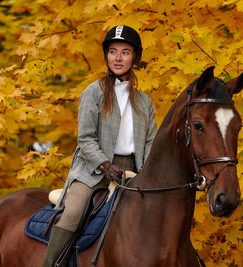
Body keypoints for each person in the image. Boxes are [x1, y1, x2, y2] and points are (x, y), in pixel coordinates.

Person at [43, 25, 158, 266]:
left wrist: (149, 176)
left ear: (134, 57)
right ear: (106, 55)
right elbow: (85, 139)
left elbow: (149, 145)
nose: (118, 58)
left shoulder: (145, 103)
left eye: (125, 52)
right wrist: (106, 166)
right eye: (113, 51)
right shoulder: (92, 93)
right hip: (92, 171)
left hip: (132, 173)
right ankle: (51, 264)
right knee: (73, 212)